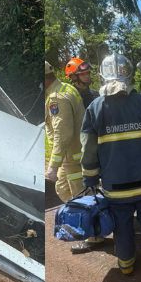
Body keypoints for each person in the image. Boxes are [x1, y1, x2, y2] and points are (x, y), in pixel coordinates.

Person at [80, 53, 141, 275]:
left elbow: (88, 149)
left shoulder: (95, 108)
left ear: (102, 76)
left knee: (122, 228)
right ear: (130, 73)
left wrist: (90, 178)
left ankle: (126, 265)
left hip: (116, 189)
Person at [44, 60, 85, 203]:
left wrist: (53, 166)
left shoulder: (57, 98)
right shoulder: (66, 88)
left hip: (73, 158)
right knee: (62, 188)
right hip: (70, 157)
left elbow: (63, 134)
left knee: (81, 197)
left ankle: (88, 221)